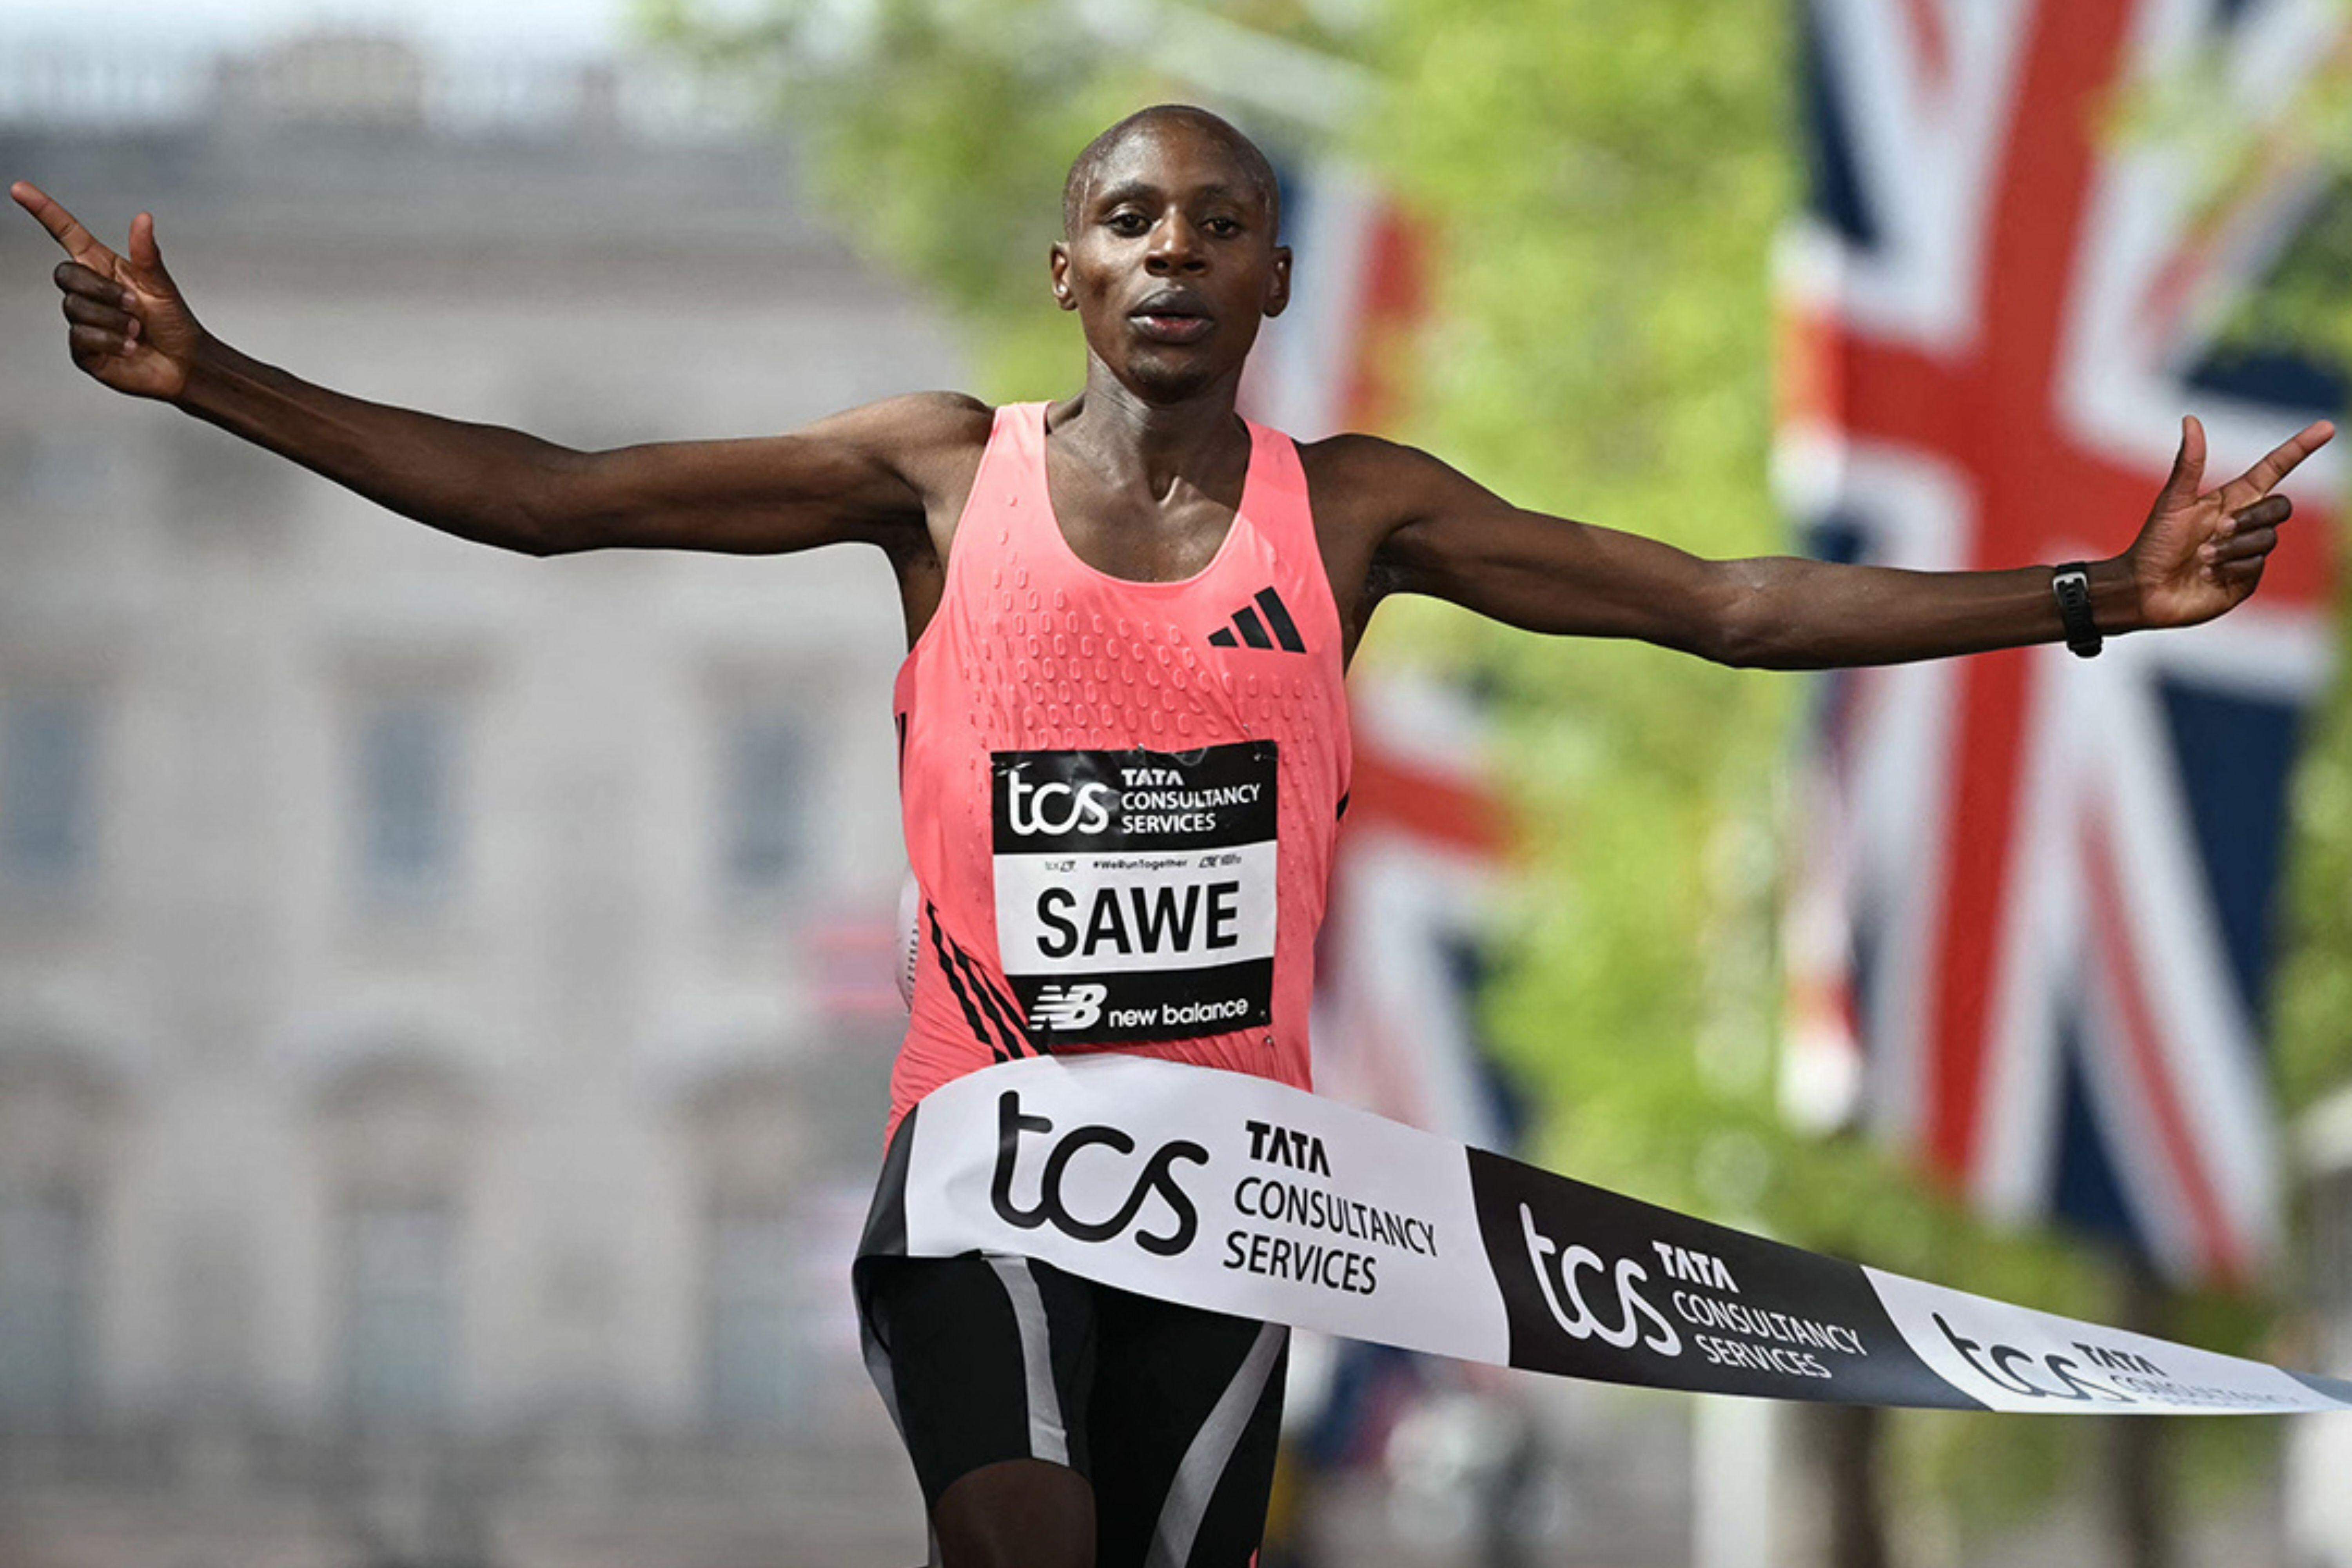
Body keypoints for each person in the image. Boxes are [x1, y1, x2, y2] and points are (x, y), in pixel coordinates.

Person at [13, 102, 2329, 1568]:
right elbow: (554, 501)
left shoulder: (1361, 513)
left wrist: (2090, 596)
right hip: (991, 1161)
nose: (1174, 252)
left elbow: (1721, 605)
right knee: (1021, 1531)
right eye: (1129, 218)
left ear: (1275, 281)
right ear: (1070, 272)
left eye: (1223, 222)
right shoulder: (940, 478)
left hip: (1237, 1204)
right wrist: (217, 378)